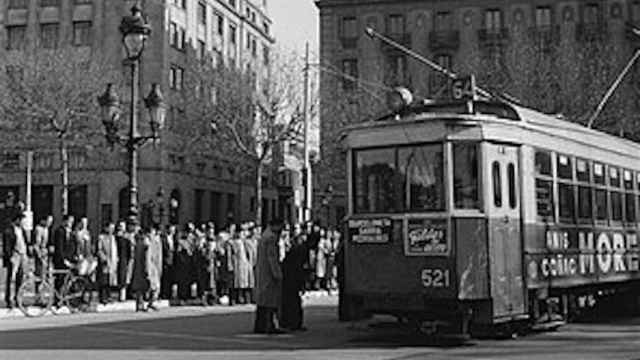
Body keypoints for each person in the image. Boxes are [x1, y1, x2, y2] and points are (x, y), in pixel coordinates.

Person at [254, 218, 285, 334]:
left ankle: (260, 325)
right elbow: (272, 258)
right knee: (270, 301)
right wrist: (278, 274)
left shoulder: (264, 236)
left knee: (262, 301)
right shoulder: (271, 238)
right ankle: (269, 325)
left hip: (262, 271)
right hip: (269, 274)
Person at [280, 231, 308, 331]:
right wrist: (302, 284)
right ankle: (294, 323)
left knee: (290, 303)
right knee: (294, 303)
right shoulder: (297, 253)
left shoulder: (291, 254)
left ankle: (289, 322)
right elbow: (299, 269)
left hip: (289, 281)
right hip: (293, 281)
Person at [3, 213, 28, 308]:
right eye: (22, 220)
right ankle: (9, 299)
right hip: (14, 256)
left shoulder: (22, 230)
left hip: (22, 255)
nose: (23, 222)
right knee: (11, 279)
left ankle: (18, 298)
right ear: (17, 220)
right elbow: (7, 246)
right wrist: (10, 257)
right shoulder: (9, 231)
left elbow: (25, 242)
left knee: (20, 278)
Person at [52, 214, 76, 296]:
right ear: (65, 221)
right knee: (59, 279)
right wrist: (63, 259)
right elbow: (59, 247)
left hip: (69, 259)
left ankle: (66, 297)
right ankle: (58, 298)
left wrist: (74, 257)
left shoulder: (71, 233)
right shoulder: (59, 231)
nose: (71, 224)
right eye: (69, 222)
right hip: (60, 260)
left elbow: (73, 246)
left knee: (68, 279)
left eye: (72, 222)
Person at [129, 218, 149, 312]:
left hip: (137, 267)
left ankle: (139, 304)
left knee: (139, 286)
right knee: (141, 286)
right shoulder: (142, 244)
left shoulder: (137, 243)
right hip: (140, 266)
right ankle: (140, 304)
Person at [96, 222, 118, 304]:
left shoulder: (113, 238)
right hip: (105, 262)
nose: (111, 230)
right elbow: (99, 250)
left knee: (110, 280)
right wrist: (104, 258)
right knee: (104, 280)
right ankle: (103, 297)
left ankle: (109, 296)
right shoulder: (101, 237)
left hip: (112, 261)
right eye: (110, 228)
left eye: (113, 229)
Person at [229, 225, 251, 304]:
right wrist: (230, 264)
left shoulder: (244, 242)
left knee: (243, 282)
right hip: (236, 263)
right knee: (235, 282)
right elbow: (231, 254)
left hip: (244, 264)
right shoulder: (232, 242)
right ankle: (233, 299)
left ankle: (242, 298)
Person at [33, 215, 53, 293]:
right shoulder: (39, 229)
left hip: (45, 253)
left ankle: (44, 294)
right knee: (40, 275)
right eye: (49, 221)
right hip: (41, 253)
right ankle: (39, 295)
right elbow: (37, 244)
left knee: (46, 275)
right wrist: (39, 255)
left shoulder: (46, 229)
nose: (50, 223)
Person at [117, 220, 134, 301]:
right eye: (120, 226)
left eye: (123, 226)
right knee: (120, 277)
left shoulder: (126, 238)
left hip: (125, 259)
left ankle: (125, 294)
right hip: (118, 259)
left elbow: (129, 249)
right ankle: (120, 295)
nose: (121, 228)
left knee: (125, 277)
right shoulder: (116, 237)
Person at [147, 225, 163, 311]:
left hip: (156, 265)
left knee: (156, 286)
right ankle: (151, 302)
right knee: (153, 285)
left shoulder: (157, 241)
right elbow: (149, 256)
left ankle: (152, 302)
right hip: (151, 266)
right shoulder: (149, 242)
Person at [160, 224, 177, 300]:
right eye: (171, 230)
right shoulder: (163, 238)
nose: (173, 231)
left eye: (173, 230)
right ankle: (164, 294)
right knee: (165, 278)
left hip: (173, 261)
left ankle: (170, 294)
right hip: (165, 261)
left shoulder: (175, 238)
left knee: (171, 278)